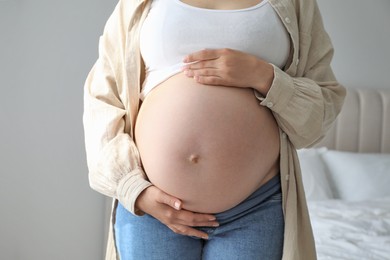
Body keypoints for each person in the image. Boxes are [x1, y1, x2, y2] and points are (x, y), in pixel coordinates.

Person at [83, 0, 345, 259]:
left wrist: (263, 76)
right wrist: (134, 190)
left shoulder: (296, 4)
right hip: (153, 208)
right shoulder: (137, 4)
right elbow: (102, 98)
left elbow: (323, 106)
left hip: (255, 207)